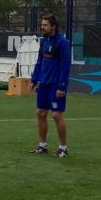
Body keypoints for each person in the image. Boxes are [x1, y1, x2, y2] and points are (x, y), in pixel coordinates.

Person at [29, 14, 71, 157]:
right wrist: (34, 80)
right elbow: (40, 62)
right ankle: (42, 145)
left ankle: (63, 148)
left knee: (57, 115)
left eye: (45, 25)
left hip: (56, 85)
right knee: (40, 113)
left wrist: (62, 87)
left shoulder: (63, 43)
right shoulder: (44, 41)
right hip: (44, 83)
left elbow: (65, 66)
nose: (42, 27)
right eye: (42, 24)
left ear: (53, 26)